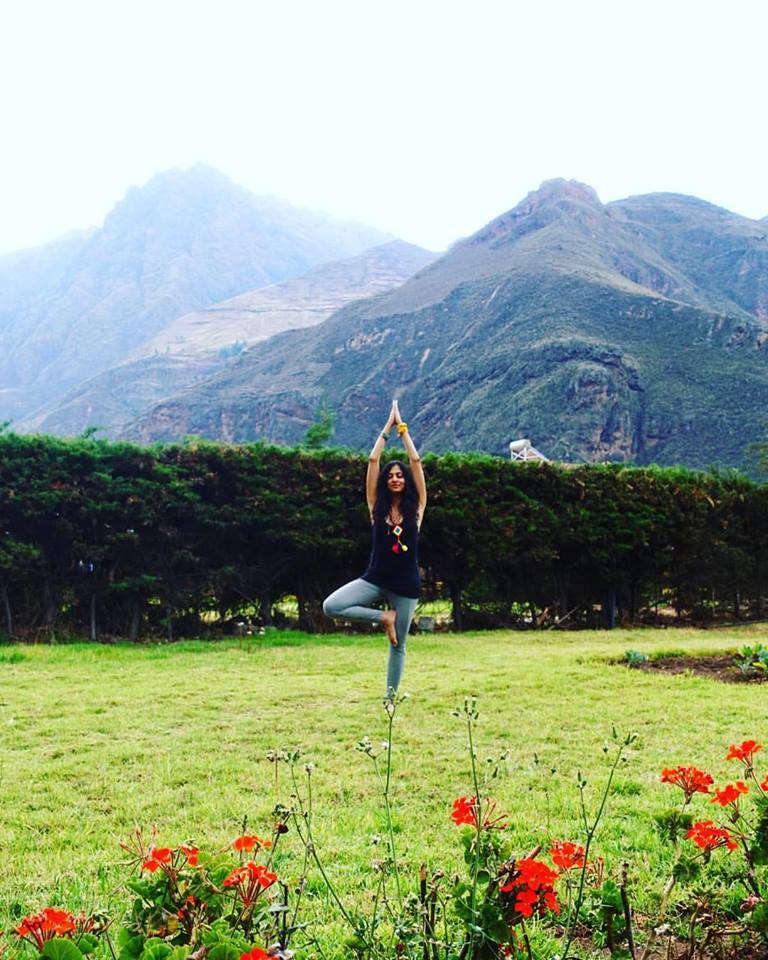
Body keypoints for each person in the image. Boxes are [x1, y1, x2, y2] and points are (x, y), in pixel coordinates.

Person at [322, 399, 427, 698]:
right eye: (390, 475)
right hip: (375, 579)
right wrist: (386, 427)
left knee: (399, 645)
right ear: (385, 481)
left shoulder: (417, 509)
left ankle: (390, 701)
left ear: (405, 481)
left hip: (406, 587)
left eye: (399, 475)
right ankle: (384, 618)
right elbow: (371, 462)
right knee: (331, 606)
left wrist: (403, 428)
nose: (395, 478)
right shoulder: (375, 507)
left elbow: (416, 463)